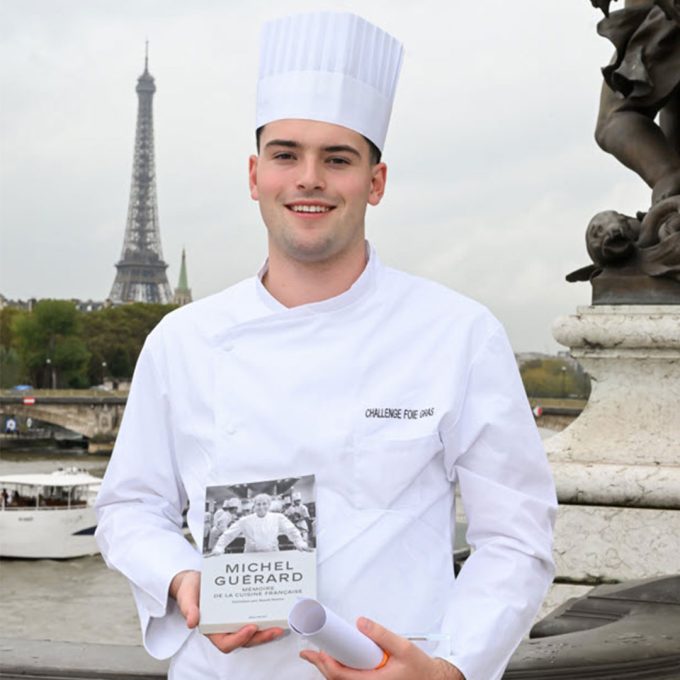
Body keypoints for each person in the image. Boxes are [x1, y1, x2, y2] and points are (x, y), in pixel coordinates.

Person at [95, 11, 556, 680]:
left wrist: (452, 667)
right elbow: (130, 507)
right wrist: (181, 577)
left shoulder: (459, 334)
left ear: (375, 181)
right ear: (255, 175)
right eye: (287, 155)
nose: (308, 177)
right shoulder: (182, 340)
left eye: (337, 159)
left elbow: (517, 537)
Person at [211, 493, 309, 554]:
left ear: (269, 505)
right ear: (254, 506)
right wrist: (219, 547)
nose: (261, 507)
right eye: (258, 504)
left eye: (264, 504)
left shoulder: (278, 517)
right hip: (251, 556)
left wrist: (299, 542)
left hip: (272, 555)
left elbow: (291, 530)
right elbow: (229, 534)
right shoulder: (245, 520)